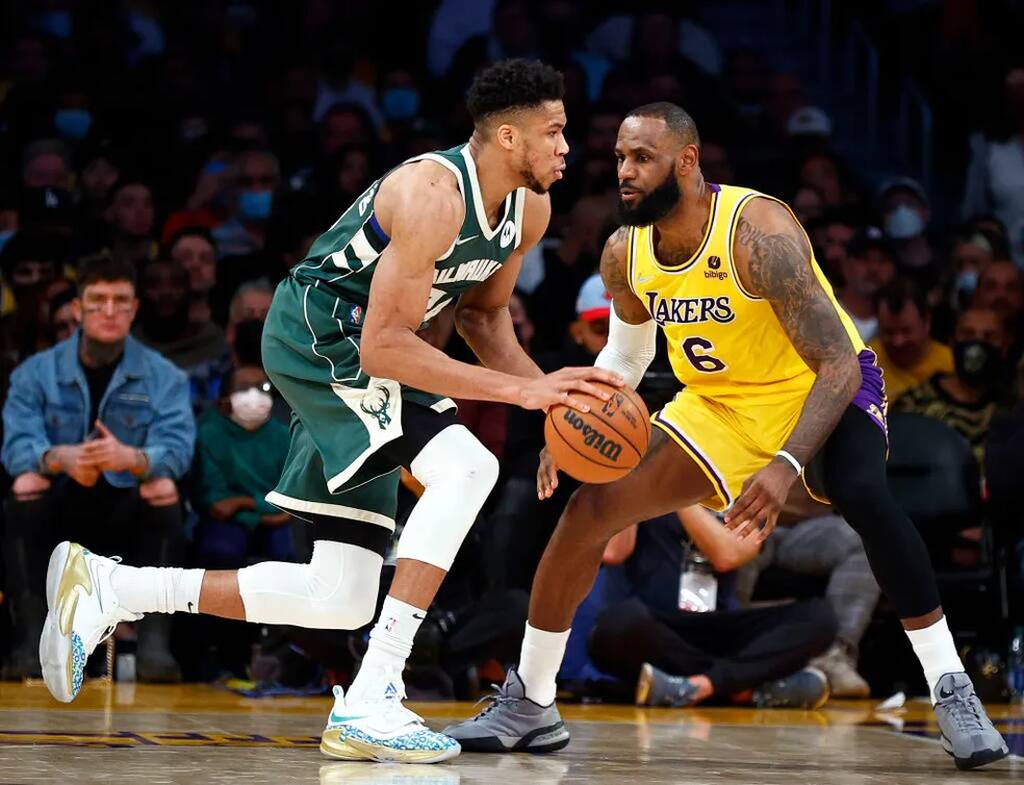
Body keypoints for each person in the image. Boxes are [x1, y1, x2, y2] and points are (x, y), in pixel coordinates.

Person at [39, 59, 617, 764]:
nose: (567, 146)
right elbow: (383, 346)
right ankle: (375, 693)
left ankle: (111, 585)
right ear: (505, 135)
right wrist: (526, 392)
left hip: (366, 354)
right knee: (468, 465)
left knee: (338, 594)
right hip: (321, 335)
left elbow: (485, 322)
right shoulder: (432, 193)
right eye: (553, 132)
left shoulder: (530, 209)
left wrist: (549, 407)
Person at [445, 102, 1008, 770]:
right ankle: (531, 700)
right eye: (621, 157)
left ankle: (951, 687)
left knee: (863, 494)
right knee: (590, 508)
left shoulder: (756, 231)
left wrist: (784, 465)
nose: (625, 171)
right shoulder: (626, 251)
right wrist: (566, 416)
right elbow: (624, 360)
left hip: (818, 383)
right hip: (720, 403)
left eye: (642, 157)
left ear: (687, 160)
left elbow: (834, 361)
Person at [2, 255, 193, 681]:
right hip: (60, 501)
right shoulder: (36, 373)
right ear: (77, 309)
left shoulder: (164, 376)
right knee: (25, 485)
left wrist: (134, 459)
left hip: (125, 502)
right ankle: (28, 645)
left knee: (163, 490)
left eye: (121, 301)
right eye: (98, 300)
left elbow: (178, 448)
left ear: (135, 308)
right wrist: (60, 459)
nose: (110, 311)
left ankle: (155, 651)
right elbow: (15, 446)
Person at [588, 506, 836, 709]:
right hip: (658, 629)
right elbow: (614, 552)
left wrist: (681, 494)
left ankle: (695, 687)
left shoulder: (749, 486)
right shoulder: (650, 479)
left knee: (820, 617)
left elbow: (727, 555)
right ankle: (743, 688)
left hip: (719, 627)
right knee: (615, 626)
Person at [893, 307, 1008, 466]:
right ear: (952, 342)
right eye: (968, 334)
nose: (977, 345)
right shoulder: (914, 405)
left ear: (1004, 347)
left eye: (989, 337)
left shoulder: (1011, 410)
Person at [870, 278, 953, 401]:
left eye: (906, 331)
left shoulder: (950, 364)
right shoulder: (864, 363)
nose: (897, 342)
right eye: (889, 332)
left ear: (927, 322)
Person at [836, 227, 895, 343]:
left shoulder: (902, 323)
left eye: (882, 260)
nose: (873, 269)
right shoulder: (824, 312)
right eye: (864, 259)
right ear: (846, 265)